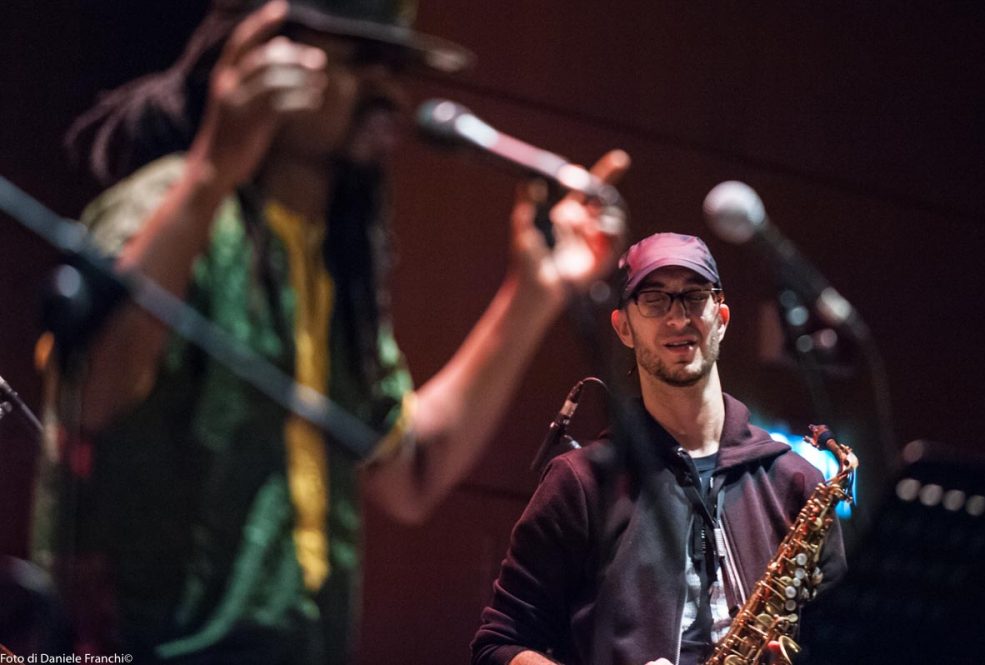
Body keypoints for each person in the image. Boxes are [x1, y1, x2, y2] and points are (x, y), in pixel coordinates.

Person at [32, 1, 629, 663]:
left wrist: (533, 295)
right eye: (359, 59)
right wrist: (213, 167)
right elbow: (90, 395)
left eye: (394, 66)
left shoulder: (329, 260)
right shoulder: (168, 205)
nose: (388, 89)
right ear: (265, 60)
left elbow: (412, 470)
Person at [470, 232, 847, 665]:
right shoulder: (582, 482)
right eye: (654, 299)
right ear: (623, 327)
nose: (677, 317)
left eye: (694, 297)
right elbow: (498, 645)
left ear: (721, 318)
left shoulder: (796, 481)